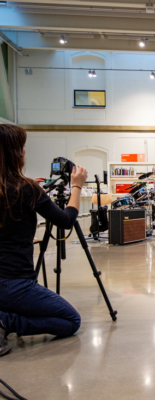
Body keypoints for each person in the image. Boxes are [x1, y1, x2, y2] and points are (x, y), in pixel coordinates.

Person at [0, 124, 88, 357]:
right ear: (14, 153)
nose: (25, 151)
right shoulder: (26, 189)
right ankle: (6, 322)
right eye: (22, 146)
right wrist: (77, 186)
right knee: (71, 320)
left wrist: (33, 190)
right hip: (15, 284)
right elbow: (67, 220)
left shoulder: (27, 189)